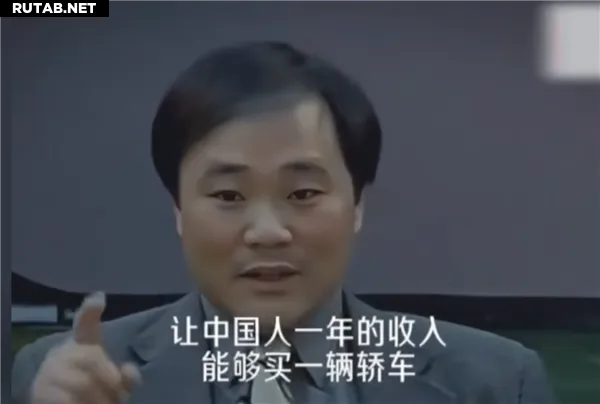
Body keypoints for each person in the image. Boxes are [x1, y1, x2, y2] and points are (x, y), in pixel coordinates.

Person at [11, 41, 556, 404]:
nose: (268, 231)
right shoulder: (65, 378)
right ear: (177, 207)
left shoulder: (494, 382)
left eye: (303, 194)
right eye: (228, 195)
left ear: (357, 203)